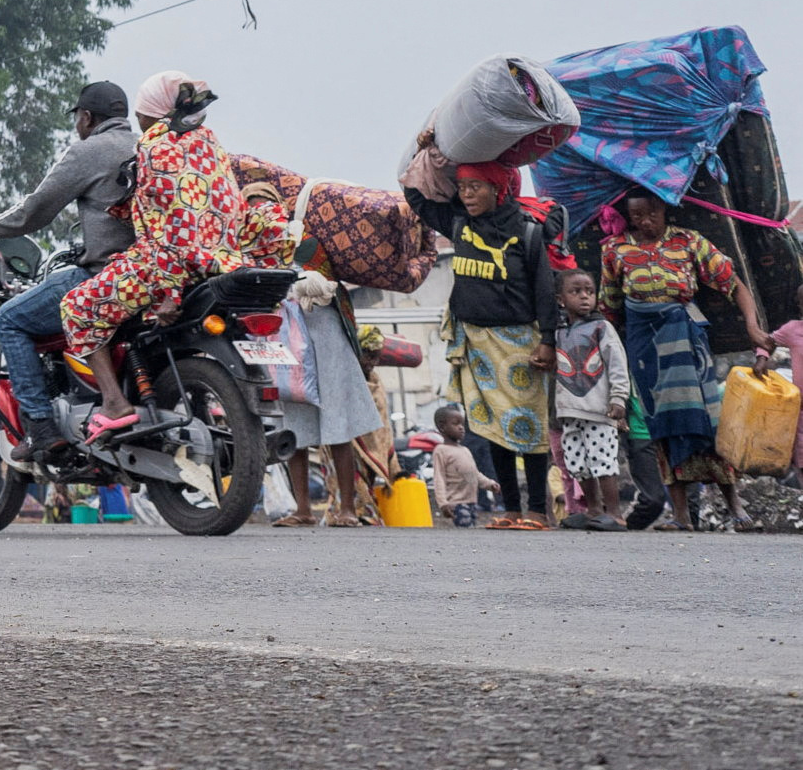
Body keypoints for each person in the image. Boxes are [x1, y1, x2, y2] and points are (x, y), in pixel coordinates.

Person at [58, 74, 247, 441]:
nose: (139, 122)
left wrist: (167, 294)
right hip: (219, 262)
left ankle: (114, 403)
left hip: (168, 264)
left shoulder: (155, 147)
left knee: (76, 308)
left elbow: (166, 228)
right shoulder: (207, 141)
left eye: (143, 115)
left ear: (155, 114)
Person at [0, 81, 138, 459]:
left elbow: (36, 209)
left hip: (104, 274)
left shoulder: (90, 150)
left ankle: (40, 427)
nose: (78, 124)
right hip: (155, 274)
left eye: (78, 118)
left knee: (10, 319)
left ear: (87, 117)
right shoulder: (150, 147)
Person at [599, 186, 774, 530]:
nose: (645, 222)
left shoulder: (689, 242)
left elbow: (735, 285)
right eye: (637, 216)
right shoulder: (614, 249)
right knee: (661, 428)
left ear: (665, 211)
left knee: (707, 422)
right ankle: (680, 516)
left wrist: (753, 329)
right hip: (645, 350)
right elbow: (610, 309)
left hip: (687, 344)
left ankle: (735, 507)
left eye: (652, 214)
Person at [407, 154, 559, 526]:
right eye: (462, 187)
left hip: (520, 343)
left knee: (530, 428)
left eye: (475, 186)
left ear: (498, 188)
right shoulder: (458, 223)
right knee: (493, 429)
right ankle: (511, 510)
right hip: (476, 344)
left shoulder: (526, 230)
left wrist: (549, 339)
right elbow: (414, 194)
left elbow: (543, 288)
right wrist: (427, 151)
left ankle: (537, 510)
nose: (467, 194)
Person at [260, 181, 385, 530]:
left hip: (323, 334)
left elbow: (326, 281)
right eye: (252, 204)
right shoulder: (252, 248)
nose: (258, 211)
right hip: (284, 337)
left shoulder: (306, 241)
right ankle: (303, 509)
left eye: (264, 202)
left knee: (338, 423)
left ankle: (347, 508)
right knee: (292, 427)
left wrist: (307, 282)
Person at [552, 268, 630, 531]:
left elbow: (617, 363)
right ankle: (593, 510)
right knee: (578, 462)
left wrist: (619, 398)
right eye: (576, 292)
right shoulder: (559, 332)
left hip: (599, 411)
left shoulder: (601, 327)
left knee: (603, 461)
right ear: (561, 299)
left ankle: (615, 513)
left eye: (589, 291)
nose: (585, 297)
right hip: (571, 411)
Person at [427, 405, 497, 528]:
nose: (461, 428)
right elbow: (439, 478)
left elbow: (474, 475)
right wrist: (443, 503)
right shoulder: (441, 450)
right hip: (456, 503)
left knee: (471, 531)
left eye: (462, 424)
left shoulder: (465, 450)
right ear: (442, 427)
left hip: (471, 503)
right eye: (456, 424)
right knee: (466, 532)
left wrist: (489, 484)